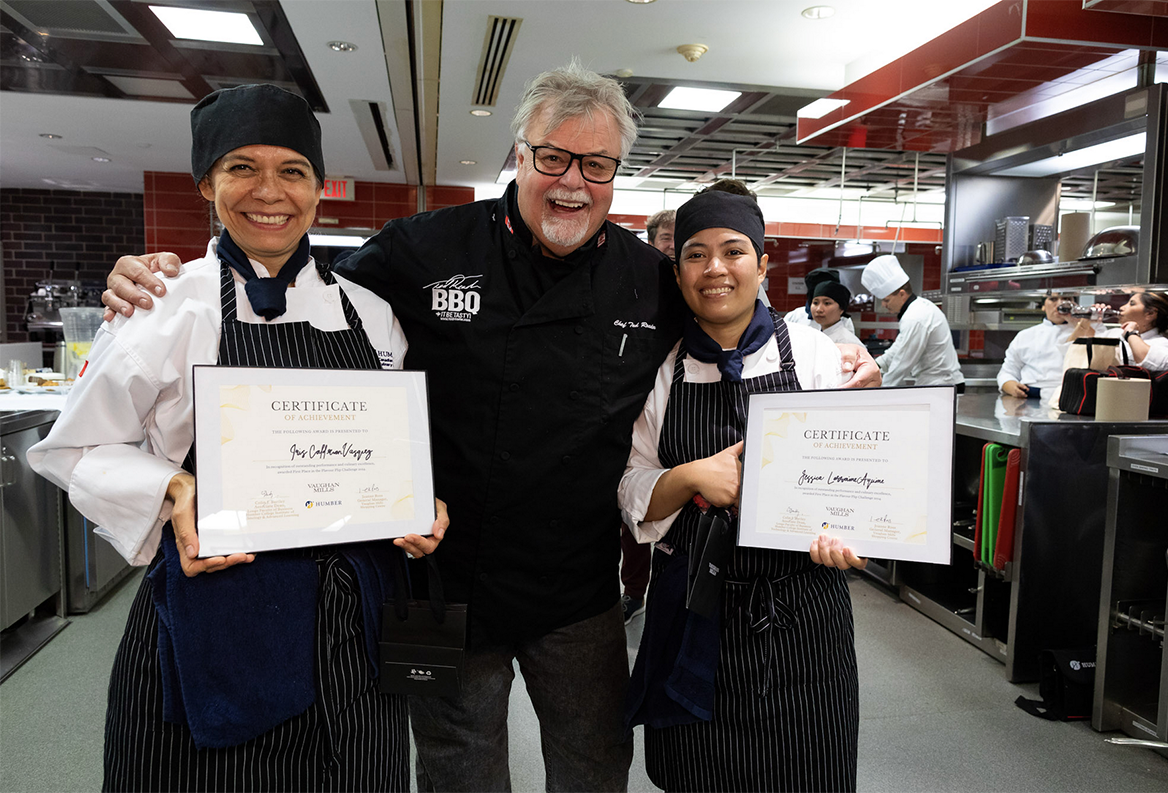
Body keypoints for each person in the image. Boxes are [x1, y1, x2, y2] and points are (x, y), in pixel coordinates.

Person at [100, 63, 881, 793]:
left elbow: (729, 320)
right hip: (436, 583)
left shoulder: (646, 279)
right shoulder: (426, 246)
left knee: (594, 761)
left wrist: (838, 357)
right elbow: (300, 281)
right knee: (453, 767)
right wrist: (145, 275)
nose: (573, 182)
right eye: (553, 158)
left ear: (616, 176)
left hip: (578, 591)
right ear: (519, 156)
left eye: (597, 165)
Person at [27, 84, 446, 792]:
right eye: (241, 168)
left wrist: (416, 504)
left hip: (352, 620)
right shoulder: (163, 305)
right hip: (217, 614)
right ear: (205, 185)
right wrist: (173, 487)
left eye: (292, 170)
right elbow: (70, 449)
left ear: (318, 190)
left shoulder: (369, 314)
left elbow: (389, 444)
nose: (268, 191)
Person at [619, 190, 865, 792]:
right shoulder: (660, 370)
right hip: (693, 606)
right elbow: (630, 490)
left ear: (762, 263)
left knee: (809, 771)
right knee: (697, 774)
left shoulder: (814, 354)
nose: (715, 269)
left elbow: (853, 478)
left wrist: (852, 533)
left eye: (734, 251)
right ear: (677, 274)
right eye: (695, 255)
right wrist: (690, 477)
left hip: (804, 609)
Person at [862, 253, 964, 388]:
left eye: (886, 300)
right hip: (938, 384)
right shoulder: (918, 308)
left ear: (902, 294)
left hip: (941, 386)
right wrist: (875, 365)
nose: (884, 305)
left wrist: (881, 390)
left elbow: (902, 362)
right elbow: (898, 349)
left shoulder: (915, 317)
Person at [1073, 290, 1168, 371]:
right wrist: (1088, 319)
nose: (1122, 307)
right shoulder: (1115, 333)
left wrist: (1131, 334)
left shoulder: (1163, 345)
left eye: (1131, 304)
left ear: (1150, 313)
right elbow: (1085, 347)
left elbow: (1154, 363)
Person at [997, 292, 1079, 398]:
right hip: (1028, 398)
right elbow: (1007, 371)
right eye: (1053, 299)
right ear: (1043, 306)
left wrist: (1080, 323)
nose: (1060, 304)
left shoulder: (1086, 332)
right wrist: (1011, 386)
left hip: (1069, 398)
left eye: (1066, 299)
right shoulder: (1025, 335)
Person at [787, 275, 864, 348]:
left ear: (841, 309)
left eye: (827, 303)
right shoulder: (817, 336)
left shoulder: (849, 343)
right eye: (815, 303)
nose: (819, 309)